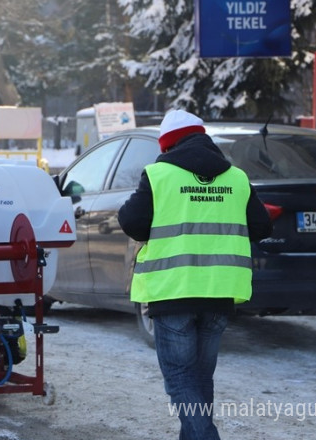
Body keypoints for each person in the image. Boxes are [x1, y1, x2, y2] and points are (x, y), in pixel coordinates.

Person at [117, 109, 272, 440]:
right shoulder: (237, 177)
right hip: (219, 292)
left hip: (172, 290)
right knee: (200, 379)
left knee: (179, 377)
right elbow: (261, 226)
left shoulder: (158, 175)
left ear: (168, 145)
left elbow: (131, 221)